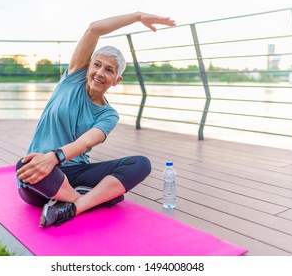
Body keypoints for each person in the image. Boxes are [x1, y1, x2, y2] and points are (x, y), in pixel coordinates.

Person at [15, 12, 176, 228]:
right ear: (88, 66)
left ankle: (72, 207)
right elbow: (94, 29)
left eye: (109, 70)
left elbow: (86, 142)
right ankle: (89, 199)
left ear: (116, 80)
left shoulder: (108, 114)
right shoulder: (72, 79)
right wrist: (137, 17)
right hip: (41, 177)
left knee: (140, 164)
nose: (100, 73)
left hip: (75, 171)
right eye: (97, 65)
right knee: (25, 165)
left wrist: (54, 157)